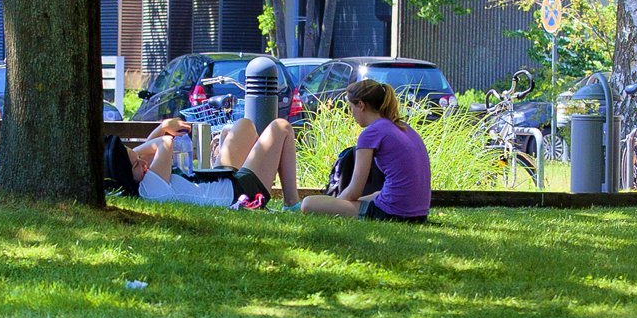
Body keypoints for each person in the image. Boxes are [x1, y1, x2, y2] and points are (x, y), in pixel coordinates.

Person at [300, 78, 429, 221]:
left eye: (351, 108)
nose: (351, 114)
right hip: (419, 214)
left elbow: (354, 191)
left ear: (361, 105)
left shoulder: (371, 133)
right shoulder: (402, 127)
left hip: (393, 213)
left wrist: (337, 205)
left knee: (308, 203)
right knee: (374, 196)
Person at [122, 114, 302, 207]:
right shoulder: (150, 188)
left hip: (220, 180)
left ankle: (255, 161)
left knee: (244, 125)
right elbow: (163, 142)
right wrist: (163, 129)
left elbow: (146, 154)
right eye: (137, 164)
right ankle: (291, 204)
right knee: (281, 127)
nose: (144, 163)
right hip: (238, 193)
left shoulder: (143, 180)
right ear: (124, 176)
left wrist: (133, 157)